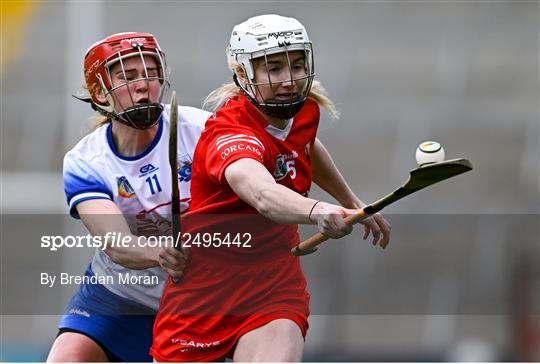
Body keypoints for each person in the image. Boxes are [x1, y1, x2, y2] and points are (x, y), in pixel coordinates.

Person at [151, 15, 391, 362]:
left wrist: (351, 201)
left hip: (273, 284)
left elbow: (305, 144)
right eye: (274, 69)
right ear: (244, 74)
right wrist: (317, 210)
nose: (289, 80)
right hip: (204, 292)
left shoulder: (305, 109)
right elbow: (263, 195)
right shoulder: (229, 132)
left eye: (296, 65)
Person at [46, 32, 211, 362]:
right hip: (117, 295)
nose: (143, 84)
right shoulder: (85, 161)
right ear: (99, 92)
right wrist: (161, 251)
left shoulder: (204, 129)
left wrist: (337, 200)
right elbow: (117, 242)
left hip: (202, 300)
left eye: (151, 73)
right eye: (128, 76)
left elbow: (287, 147)